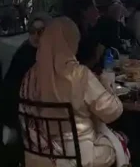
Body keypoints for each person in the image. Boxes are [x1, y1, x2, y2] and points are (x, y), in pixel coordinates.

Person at [20, 17, 125, 167]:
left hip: (39, 154)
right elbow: (112, 112)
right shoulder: (79, 75)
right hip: (79, 155)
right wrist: (107, 87)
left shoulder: (30, 76)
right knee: (118, 142)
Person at [0, 13, 49, 128]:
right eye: (32, 31)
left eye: (40, 31)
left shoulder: (44, 53)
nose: (36, 35)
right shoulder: (25, 54)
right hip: (15, 108)